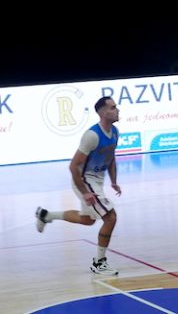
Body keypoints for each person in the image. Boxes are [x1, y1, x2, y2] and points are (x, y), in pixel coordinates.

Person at [35, 96, 122, 275]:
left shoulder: (115, 132)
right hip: (84, 180)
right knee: (110, 218)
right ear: (103, 113)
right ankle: (99, 263)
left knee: (88, 220)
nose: (117, 110)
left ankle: (47, 215)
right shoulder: (92, 136)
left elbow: (111, 158)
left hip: (97, 180)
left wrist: (113, 181)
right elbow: (73, 166)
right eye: (113, 107)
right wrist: (85, 192)